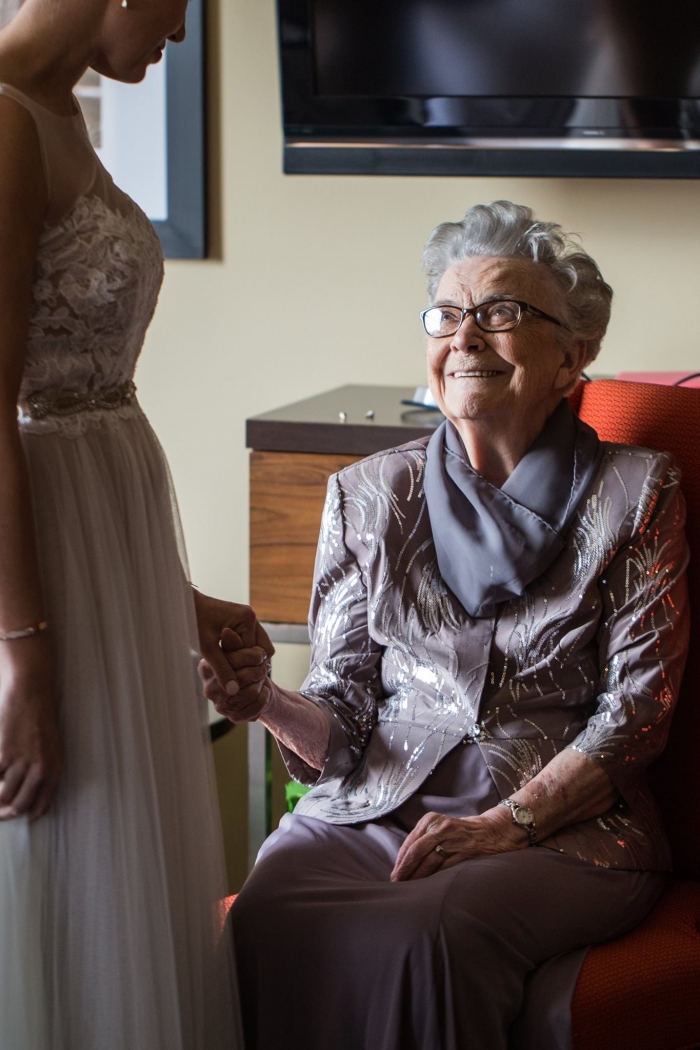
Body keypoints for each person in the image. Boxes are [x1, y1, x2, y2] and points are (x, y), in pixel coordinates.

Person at [201, 201, 690, 1050]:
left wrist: (503, 826)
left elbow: (636, 714)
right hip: (374, 805)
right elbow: (344, 709)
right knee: (269, 909)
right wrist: (265, 704)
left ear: (574, 355)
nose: (465, 337)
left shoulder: (638, 492)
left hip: (555, 828)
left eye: (502, 314)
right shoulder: (367, 495)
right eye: (447, 314)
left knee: (430, 934)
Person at [0, 2, 271, 1047]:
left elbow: (85, 399)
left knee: (122, 864)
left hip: (101, 554)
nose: (180, 30)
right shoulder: (6, 122)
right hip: (32, 584)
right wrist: (23, 662)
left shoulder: (56, 112)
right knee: (58, 860)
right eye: (176, 4)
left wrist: (174, 600)